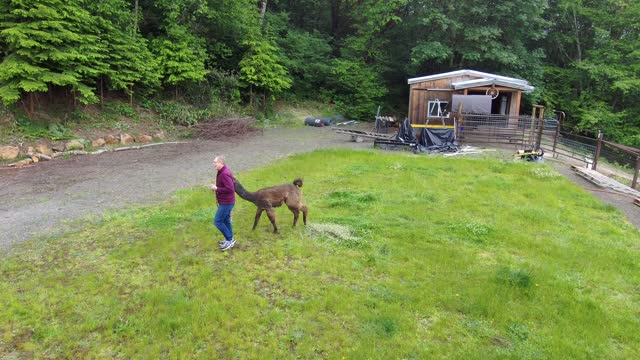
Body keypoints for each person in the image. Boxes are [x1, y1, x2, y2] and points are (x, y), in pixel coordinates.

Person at [209, 155, 236, 251]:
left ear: (221, 163)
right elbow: (225, 186)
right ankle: (230, 239)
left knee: (218, 221)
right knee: (226, 221)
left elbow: (230, 188)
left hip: (227, 202)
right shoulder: (221, 171)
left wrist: (216, 188)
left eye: (215, 162)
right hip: (226, 201)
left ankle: (229, 239)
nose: (213, 164)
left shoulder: (224, 173)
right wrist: (216, 187)